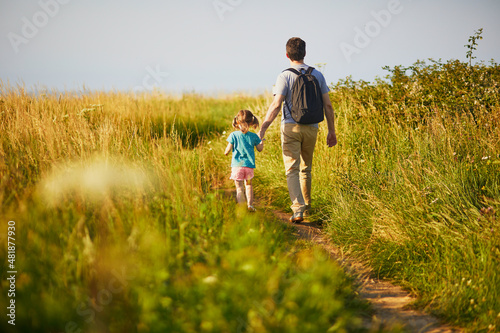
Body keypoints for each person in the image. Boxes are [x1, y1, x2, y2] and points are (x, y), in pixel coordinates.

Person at [258, 37, 337, 223]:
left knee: (292, 169)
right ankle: (307, 208)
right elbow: (328, 106)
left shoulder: (284, 75)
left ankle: (298, 209)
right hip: (312, 127)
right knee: (306, 169)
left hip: (290, 127)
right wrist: (331, 131)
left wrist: (263, 129)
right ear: (305, 53)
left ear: (287, 54)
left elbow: (276, 105)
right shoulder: (317, 75)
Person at [224, 109, 264, 212]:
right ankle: (250, 205)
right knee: (249, 186)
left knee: (239, 188)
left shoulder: (233, 135)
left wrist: (226, 152)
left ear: (237, 122)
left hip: (237, 166)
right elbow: (260, 149)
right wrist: (261, 141)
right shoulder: (254, 136)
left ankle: (242, 208)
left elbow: (227, 150)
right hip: (249, 167)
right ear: (251, 122)